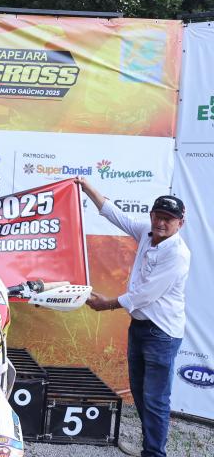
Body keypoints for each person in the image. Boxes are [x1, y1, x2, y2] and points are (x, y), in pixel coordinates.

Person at [77, 177, 190, 457]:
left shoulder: (178, 254)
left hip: (161, 334)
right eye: (157, 216)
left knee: (156, 400)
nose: (161, 223)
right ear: (151, 216)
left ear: (180, 223)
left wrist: (106, 304)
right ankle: (149, 446)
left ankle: (154, 453)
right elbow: (116, 215)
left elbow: (145, 295)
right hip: (140, 327)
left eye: (168, 219)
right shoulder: (146, 233)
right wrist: (86, 186)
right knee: (140, 394)